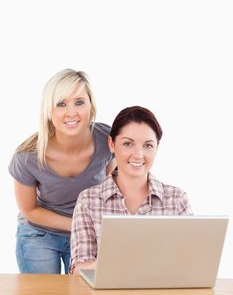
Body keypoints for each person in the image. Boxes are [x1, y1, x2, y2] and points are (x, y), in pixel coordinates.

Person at [8, 69, 116, 274]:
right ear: (49, 111)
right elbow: (29, 210)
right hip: (39, 234)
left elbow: (112, 186)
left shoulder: (106, 139)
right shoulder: (27, 157)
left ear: (91, 106)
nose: (71, 112)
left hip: (87, 233)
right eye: (61, 104)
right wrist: (79, 224)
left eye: (79, 102)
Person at [70, 105, 192, 274]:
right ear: (112, 144)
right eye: (128, 144)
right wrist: (130, 261)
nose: (138, 154)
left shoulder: (177, 200)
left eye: (148, 145)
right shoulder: (89, 201)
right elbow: (78, 270)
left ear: (157, 146)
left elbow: (189, 265)